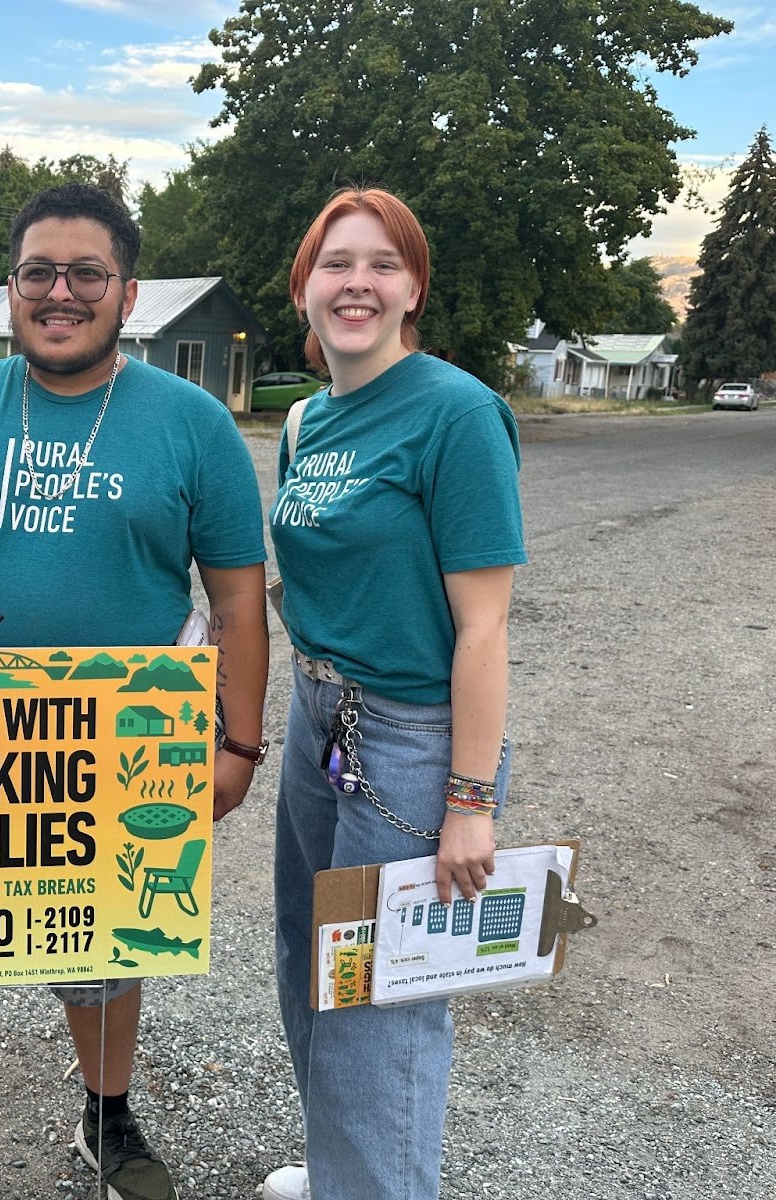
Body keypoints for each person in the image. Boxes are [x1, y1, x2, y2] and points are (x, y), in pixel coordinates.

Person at [0, 183, 270, 1200]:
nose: (60, 291)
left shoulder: (190, 423)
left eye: (86, 273)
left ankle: (106, 1118)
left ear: (127, 293)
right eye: (38, 271)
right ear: (9, 289)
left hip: (124, 736)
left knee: (103, 943)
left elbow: (237, 598)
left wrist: (239, 742)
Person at [262, 188, 526, 1200]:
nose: (356, 283)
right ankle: (344, 1170)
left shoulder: (456, 414)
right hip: (318, 715)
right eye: (336, 264)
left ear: (413, 287)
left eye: (381, 264)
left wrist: (470, 800)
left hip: (414, 738)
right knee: (309, 958)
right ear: (303, 288)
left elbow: (484, 626)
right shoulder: (302, 421)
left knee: (382, 998)